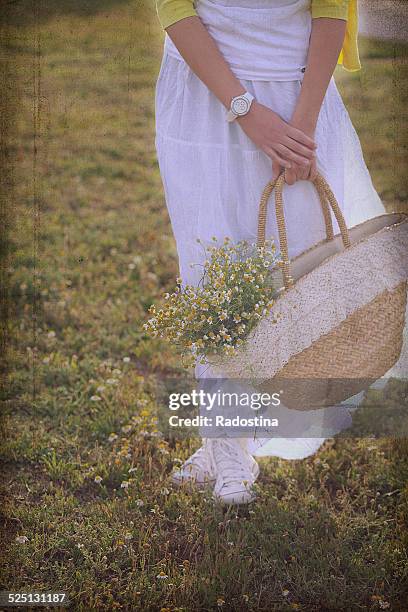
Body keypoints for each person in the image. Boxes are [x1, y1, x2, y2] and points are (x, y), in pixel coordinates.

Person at [154, 0, 386, 505]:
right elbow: (173, 6)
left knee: (291, 281)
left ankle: (228, 439)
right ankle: (229, 446)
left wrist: (297, 133)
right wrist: (247, 113)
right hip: (204, 98)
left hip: (297, 98)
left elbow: (331, 8)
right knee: (211, 274)